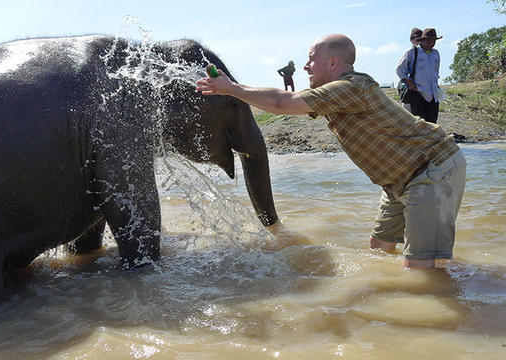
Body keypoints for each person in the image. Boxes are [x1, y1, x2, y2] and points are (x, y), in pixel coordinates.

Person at [196, 34, 466, 269]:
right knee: (380, 247)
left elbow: (281, 101)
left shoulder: (351, 87)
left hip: (431, 170)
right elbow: (283, 98)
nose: (305, 66)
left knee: (419, 270)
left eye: (311, 59)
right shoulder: (335, 94)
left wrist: (231, 89)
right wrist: (234, 90)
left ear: (333, 62)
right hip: (400, 180)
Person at [396, 28, 443, 123]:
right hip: (418, 93)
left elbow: (435, 72)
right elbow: (399, 69)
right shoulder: (412, 52)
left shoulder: (436, 54)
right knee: (419, 123)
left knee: (432, 123)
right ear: (422, 40)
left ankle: (431, 138)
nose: (431, 44)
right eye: (429, 41)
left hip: (433, 94)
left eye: (434, 41)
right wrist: (409, 83)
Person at [401, 28, 423, 111]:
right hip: (411, 91)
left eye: (421, 40)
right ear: (411, 40)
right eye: (417, 40)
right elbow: (399, 70)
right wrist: (409, 82)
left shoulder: (430, 54)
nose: (419, 42)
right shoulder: (410, 52)